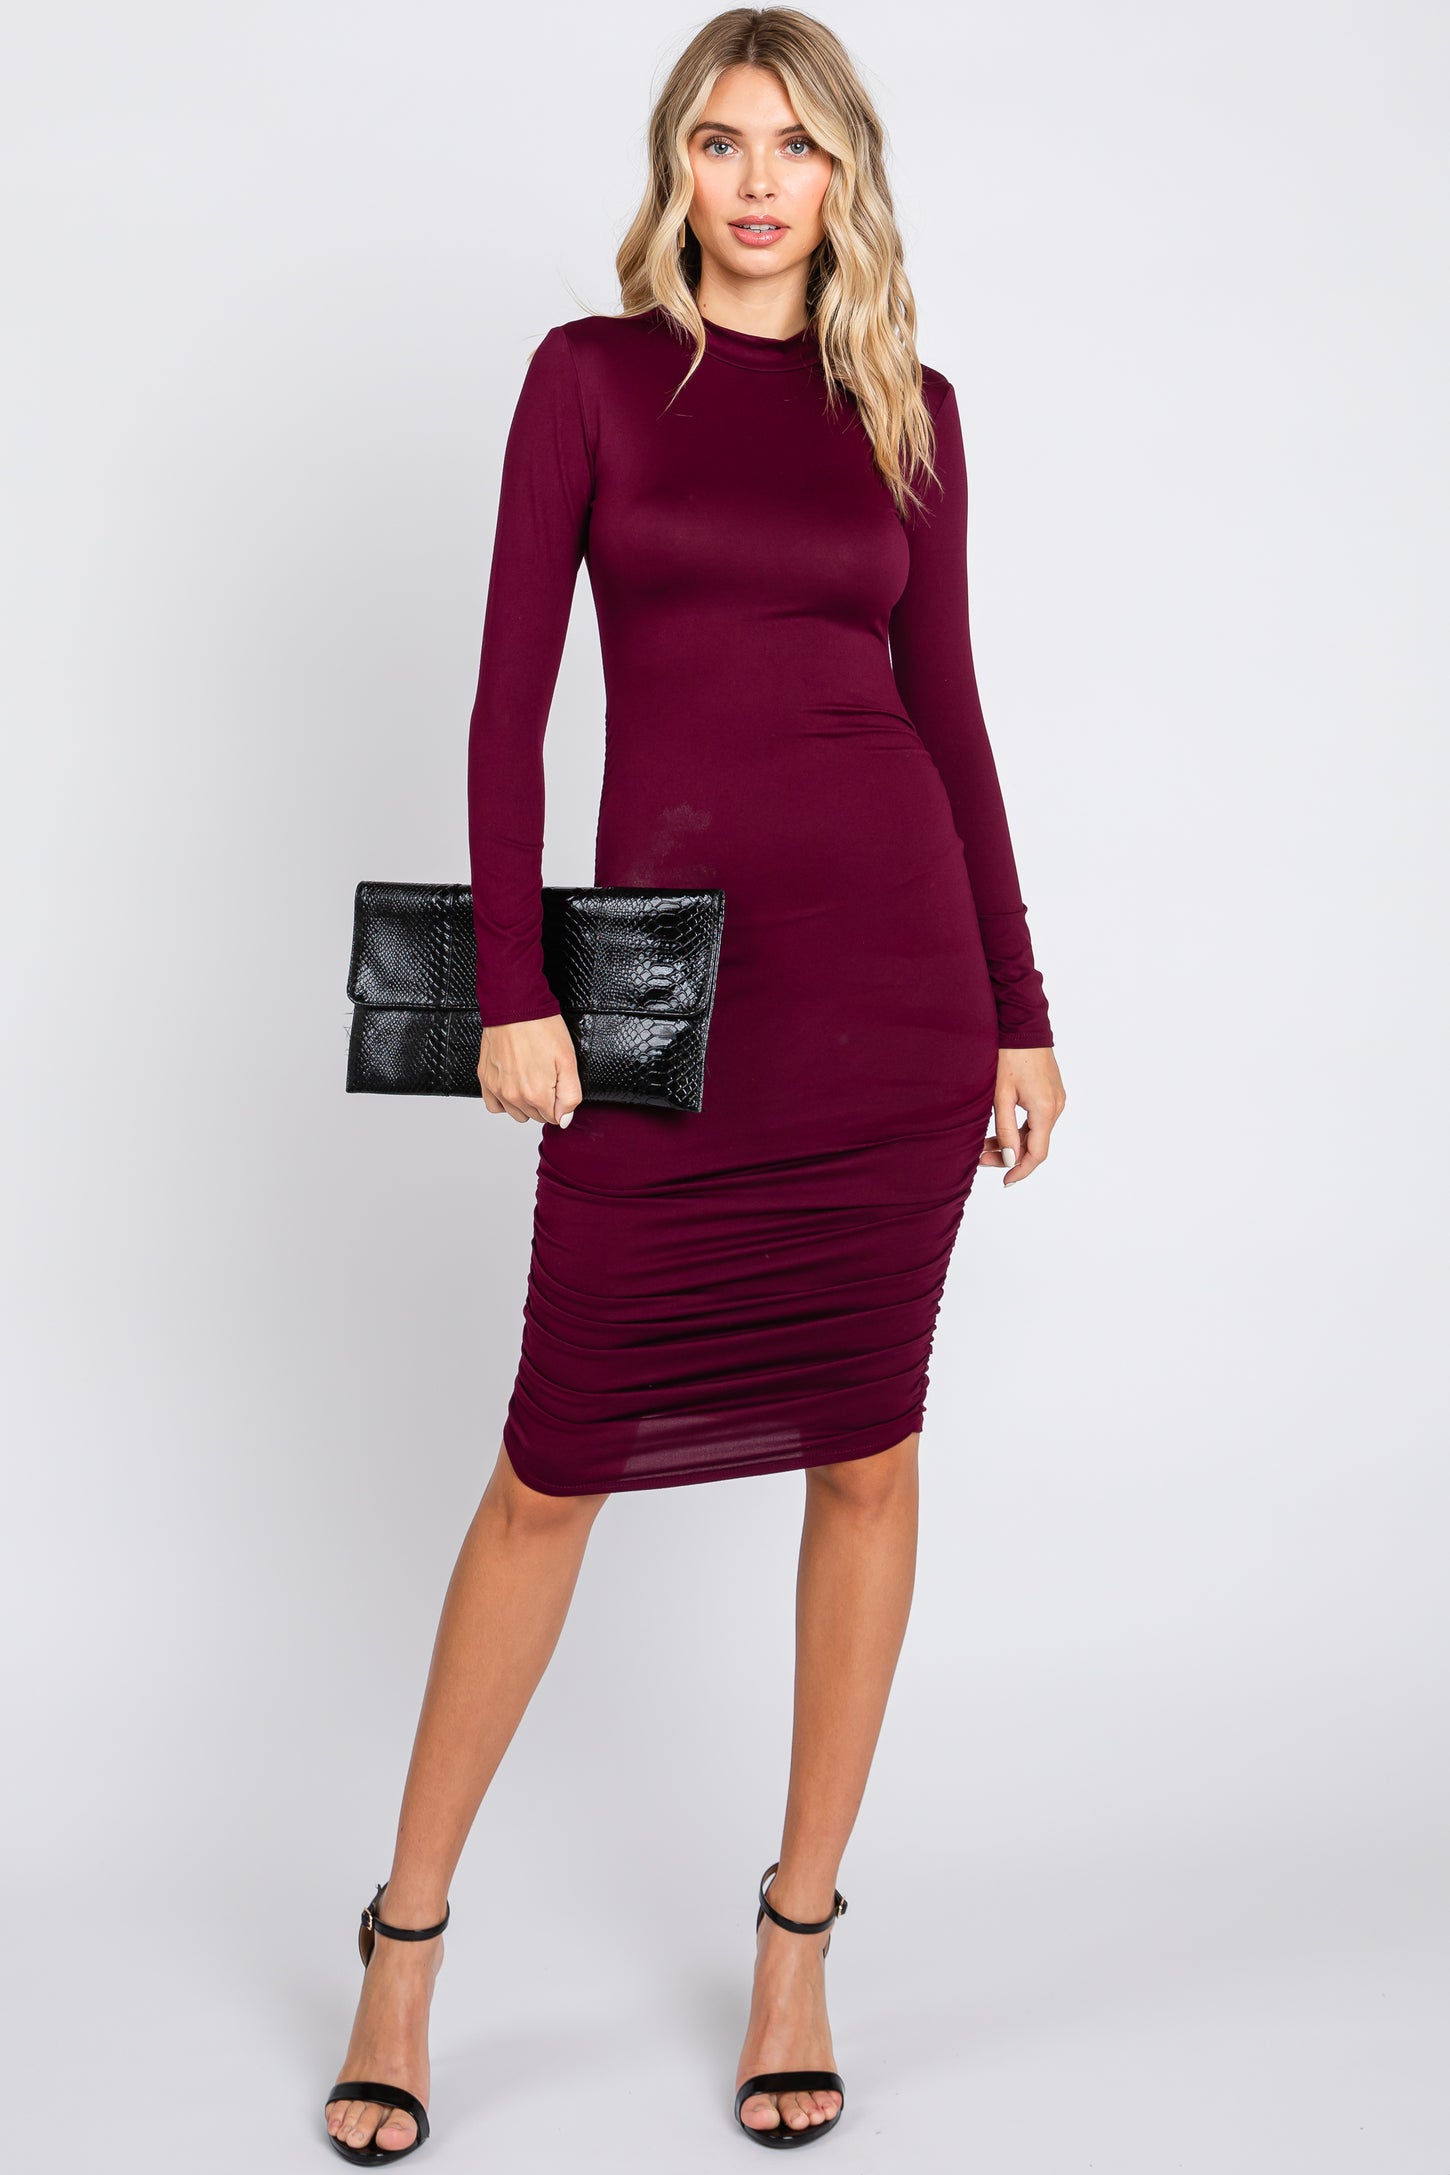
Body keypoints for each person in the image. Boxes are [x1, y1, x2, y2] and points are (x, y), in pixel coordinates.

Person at [325, 6, 1066, 2160]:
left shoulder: (905, 407)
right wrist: (514, 988)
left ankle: (797, 1940)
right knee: (550, 1468)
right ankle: (403, 1939)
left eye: (795, 147)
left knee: (867, 1454)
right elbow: (504, 705)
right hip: (665, 1018)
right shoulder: (586, 380)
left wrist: (1016, 1006)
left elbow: (952, 719)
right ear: (676, 168)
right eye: (722, 143)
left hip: (892, 999)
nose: (757, 184)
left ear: (844, 180)